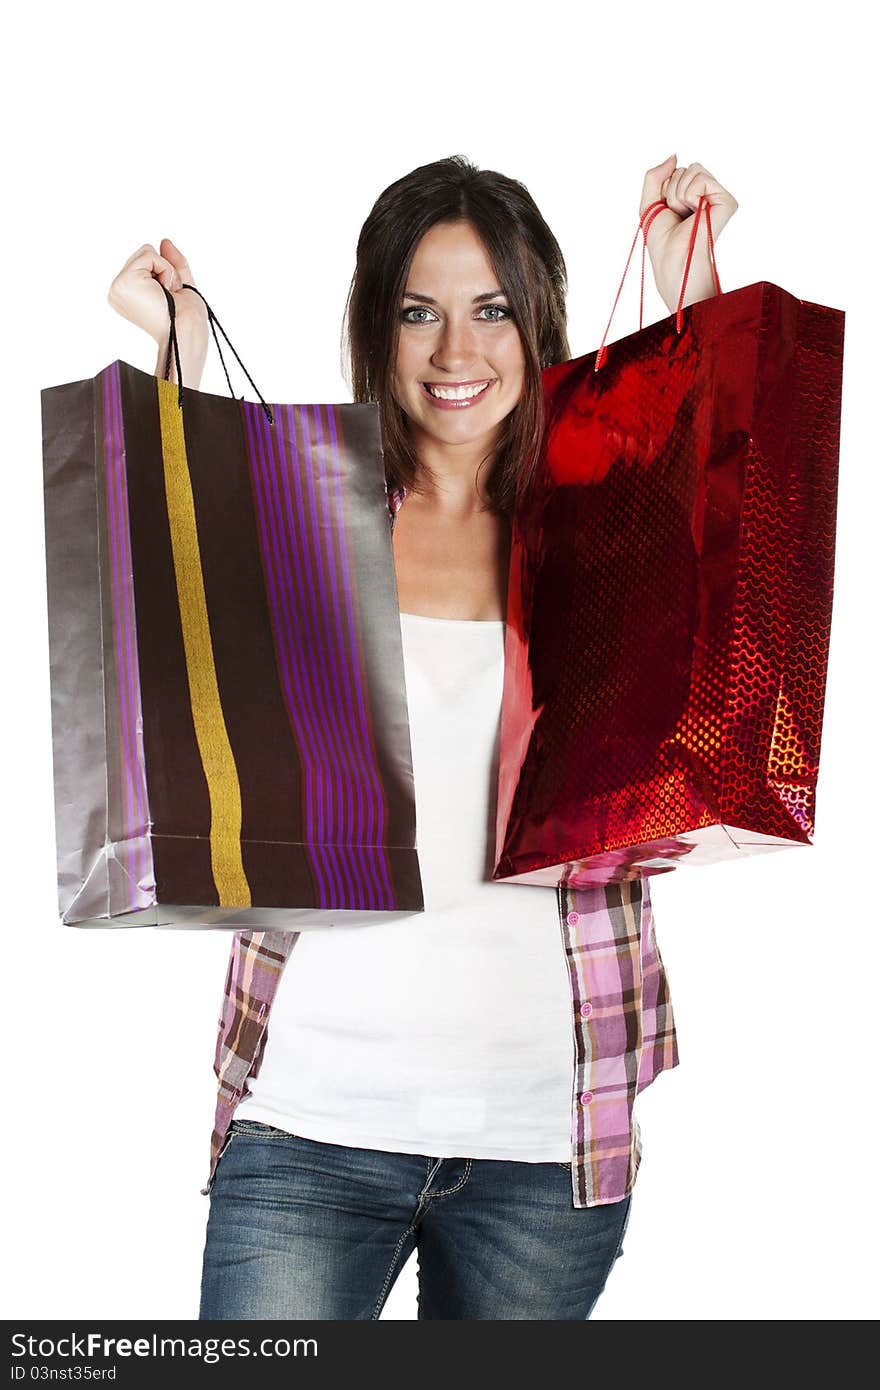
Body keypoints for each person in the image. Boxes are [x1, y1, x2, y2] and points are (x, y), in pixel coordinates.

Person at [107, 153, 737, 1321]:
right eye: (419, 311)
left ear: (537, 319)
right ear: (376, 326)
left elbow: (729, 574)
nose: (457, 352)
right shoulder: (306, 520)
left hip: (545, 1145)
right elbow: (165, 620)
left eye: (491, 309)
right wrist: (180, 349)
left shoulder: (604, 539)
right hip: (310, 1125)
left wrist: (691, 295)